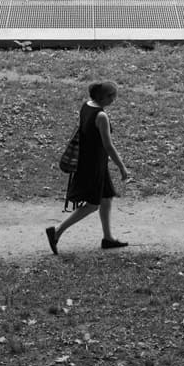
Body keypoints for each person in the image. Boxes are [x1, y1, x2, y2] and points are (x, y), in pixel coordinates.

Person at [46, 81, 132, 252]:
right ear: (104, 97)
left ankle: (108, 238)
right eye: (112, 96)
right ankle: (56, 232)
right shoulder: (101, 116)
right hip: (94, 165)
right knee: (93, 204)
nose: (114, 100)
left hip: (91, 161)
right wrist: (122, 167)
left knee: (106, 198)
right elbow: (108, 146)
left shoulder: (86, 106)